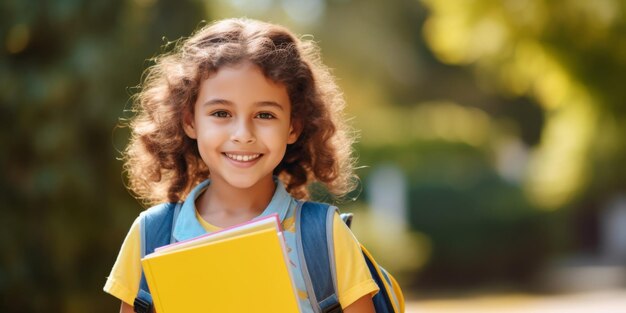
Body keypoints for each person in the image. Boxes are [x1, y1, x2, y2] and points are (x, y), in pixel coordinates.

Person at [104, 18, 379, 313]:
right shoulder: (150, 233)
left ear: (293, 126)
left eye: (265, 115)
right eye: (221, 113)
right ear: (189, 121)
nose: (243, 135)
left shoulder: (324, 235)